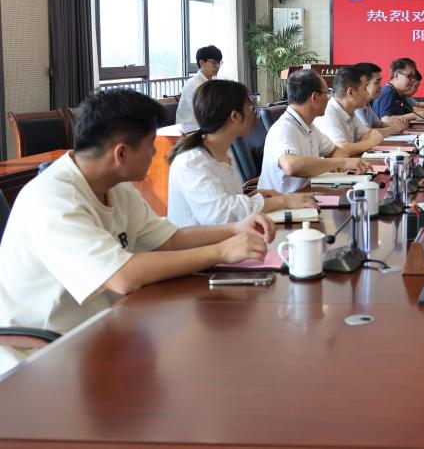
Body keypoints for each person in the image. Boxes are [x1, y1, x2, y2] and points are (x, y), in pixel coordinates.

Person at [0, 89, 275, 334]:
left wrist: (234, 229)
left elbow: (170, 240)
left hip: (105, 326)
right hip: (40, 349)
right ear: (121, 154)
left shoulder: (116, 186)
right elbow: (124, 277)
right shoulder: (52, 199)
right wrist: (221, 251)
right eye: (150, 144)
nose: (155, 153)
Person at [168, 80, 317, 227]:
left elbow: (226, 200)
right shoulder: (192, 161)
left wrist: (251, 198)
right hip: (207, 242)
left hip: (232, 237)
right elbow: (221, 215)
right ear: (235, 116)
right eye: (251, 108)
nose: (255, 114)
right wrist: (283, 201)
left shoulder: (224, 150)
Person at [258, 70, 372, 193]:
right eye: (327, 94)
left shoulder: (310, 127)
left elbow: (337, 150)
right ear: (314, 97)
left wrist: (338, 163)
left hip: (307, 194)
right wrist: (341, 162)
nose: (329, 99)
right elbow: (291, 166)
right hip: (282, 201)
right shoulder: (283, 128)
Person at [312, 65, 385, 156]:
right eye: (365, 88)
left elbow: (366, 135)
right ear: (350, 92)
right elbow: (341, 149)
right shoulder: (328, 113)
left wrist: (366, 142)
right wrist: (370, 143)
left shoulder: (349, 110)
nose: (367, 93)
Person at [354, 62, 413, 137]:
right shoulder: (356, 106)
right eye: (376, 82)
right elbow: (367, 132)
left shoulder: (366, 104)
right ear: (363, 84)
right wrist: (394, 128)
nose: (381, 86)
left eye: (380, 82)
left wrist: (398, 123)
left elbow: (379, 124)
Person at [176, 45, 222, 131]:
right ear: (201, 63)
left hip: (205, 127)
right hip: (189, 131)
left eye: (219, 63)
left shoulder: (211, 83)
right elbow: (204, 111)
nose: (218, 66)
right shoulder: (193, 84)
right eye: (214, 63)